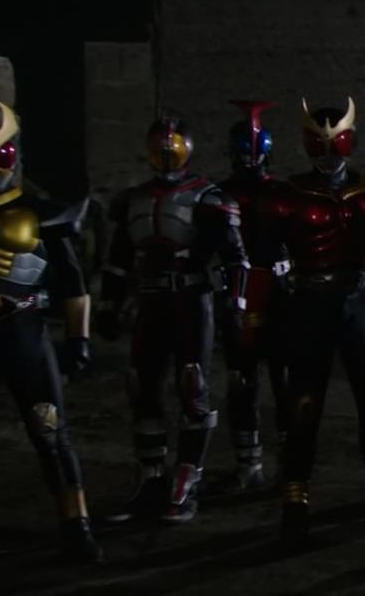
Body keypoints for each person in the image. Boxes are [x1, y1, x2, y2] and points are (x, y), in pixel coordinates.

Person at [258, 97, 365, 549]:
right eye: (319, 144)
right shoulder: (288, 198)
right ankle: (295, 503)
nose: (328, 153)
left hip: (359, 300)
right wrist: (258, 314)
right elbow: (263, 258)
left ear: (350, 141)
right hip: (312, 303)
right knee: (303, 405)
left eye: (336, 143)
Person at [98, 114, 249, 524]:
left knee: (192, 386)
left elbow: (235, 258)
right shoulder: (134, 199)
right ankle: (151, 481)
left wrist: (236, 305)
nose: (166, 153)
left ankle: (186, 481)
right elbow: (118, 260)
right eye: (159, 147)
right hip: (151, 301)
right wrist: (109, 305)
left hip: (191, 299)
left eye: (173, 146)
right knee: (143, 388)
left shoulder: (207, 198)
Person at [0, 99, 102, 562]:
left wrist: (79, 340)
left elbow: (72, 283)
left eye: (2, 156)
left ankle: (76, 522)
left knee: (50, 431)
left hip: (24, 332)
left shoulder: (41, 213)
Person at [217, 100, 291, 490]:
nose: (248, 159)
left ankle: (289, 464)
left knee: (283, 380)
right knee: (242, 380)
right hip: (239, 293)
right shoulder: (219, 194)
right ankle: (249, 465)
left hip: (276, 293)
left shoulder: (283, 194)